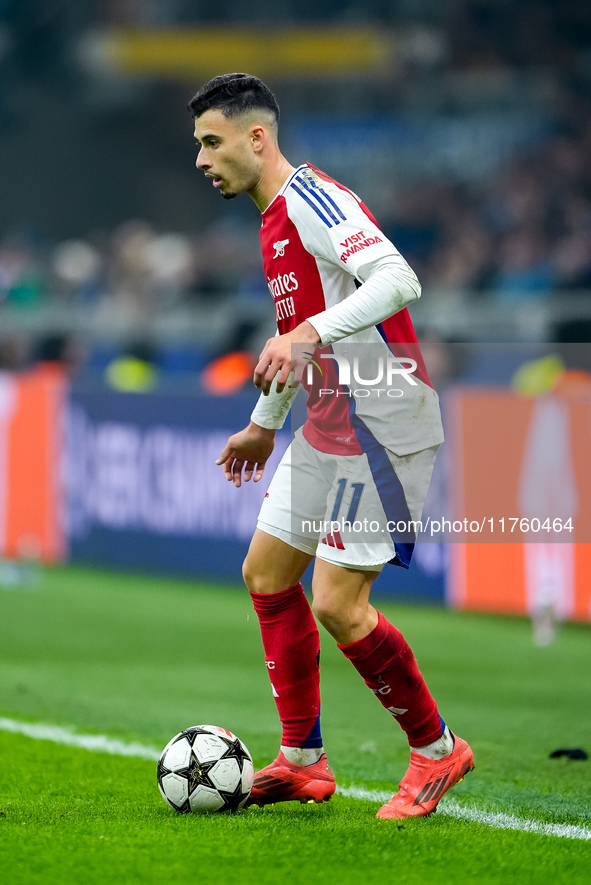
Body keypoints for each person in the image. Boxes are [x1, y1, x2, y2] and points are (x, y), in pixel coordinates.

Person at [188, 73, 474, 819]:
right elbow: (299, 338)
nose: (201, 159)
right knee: (265, 572)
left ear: (258, 138)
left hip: (383, 421)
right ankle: (303, 761)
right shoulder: (271, 220)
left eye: (211, 142)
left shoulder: (314, 200)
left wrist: (307, 332)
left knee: (340, 604)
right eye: (197, 145)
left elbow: (396, 277)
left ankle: (438, 751)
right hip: (329, 422)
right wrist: (262, 421)